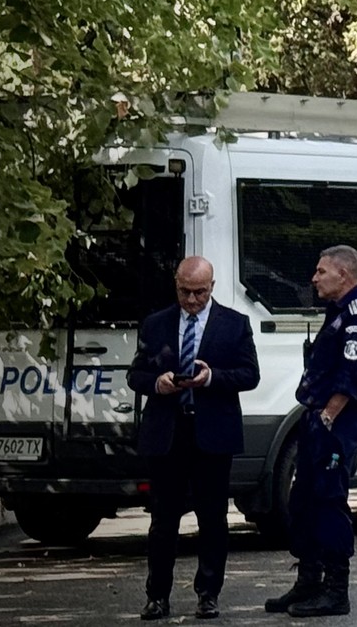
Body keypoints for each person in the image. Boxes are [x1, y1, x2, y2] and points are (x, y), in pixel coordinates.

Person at [128, 256, 260, 621]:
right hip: (168, 433)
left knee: (213, 519)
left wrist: (212, 378)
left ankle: (208, 593)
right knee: (163, 520)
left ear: (212, 287)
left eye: (199, 292)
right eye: (185, 291)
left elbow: (250, 375)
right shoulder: (156, 324)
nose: (191, 300)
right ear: (176, 285)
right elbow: (135, 374)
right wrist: (157, 382)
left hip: (212, 433)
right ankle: (157, 596)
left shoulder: (234, 324)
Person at [267, 245, 357, 617]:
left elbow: (350, 377)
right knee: (303, 501)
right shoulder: (335, 312)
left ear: (343, 275)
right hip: (316, 419)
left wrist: (328, 418)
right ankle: (308, 581)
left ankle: (336, 590)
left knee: (330, 504)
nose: (314, 278)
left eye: (321, 271)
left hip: (336, 423)